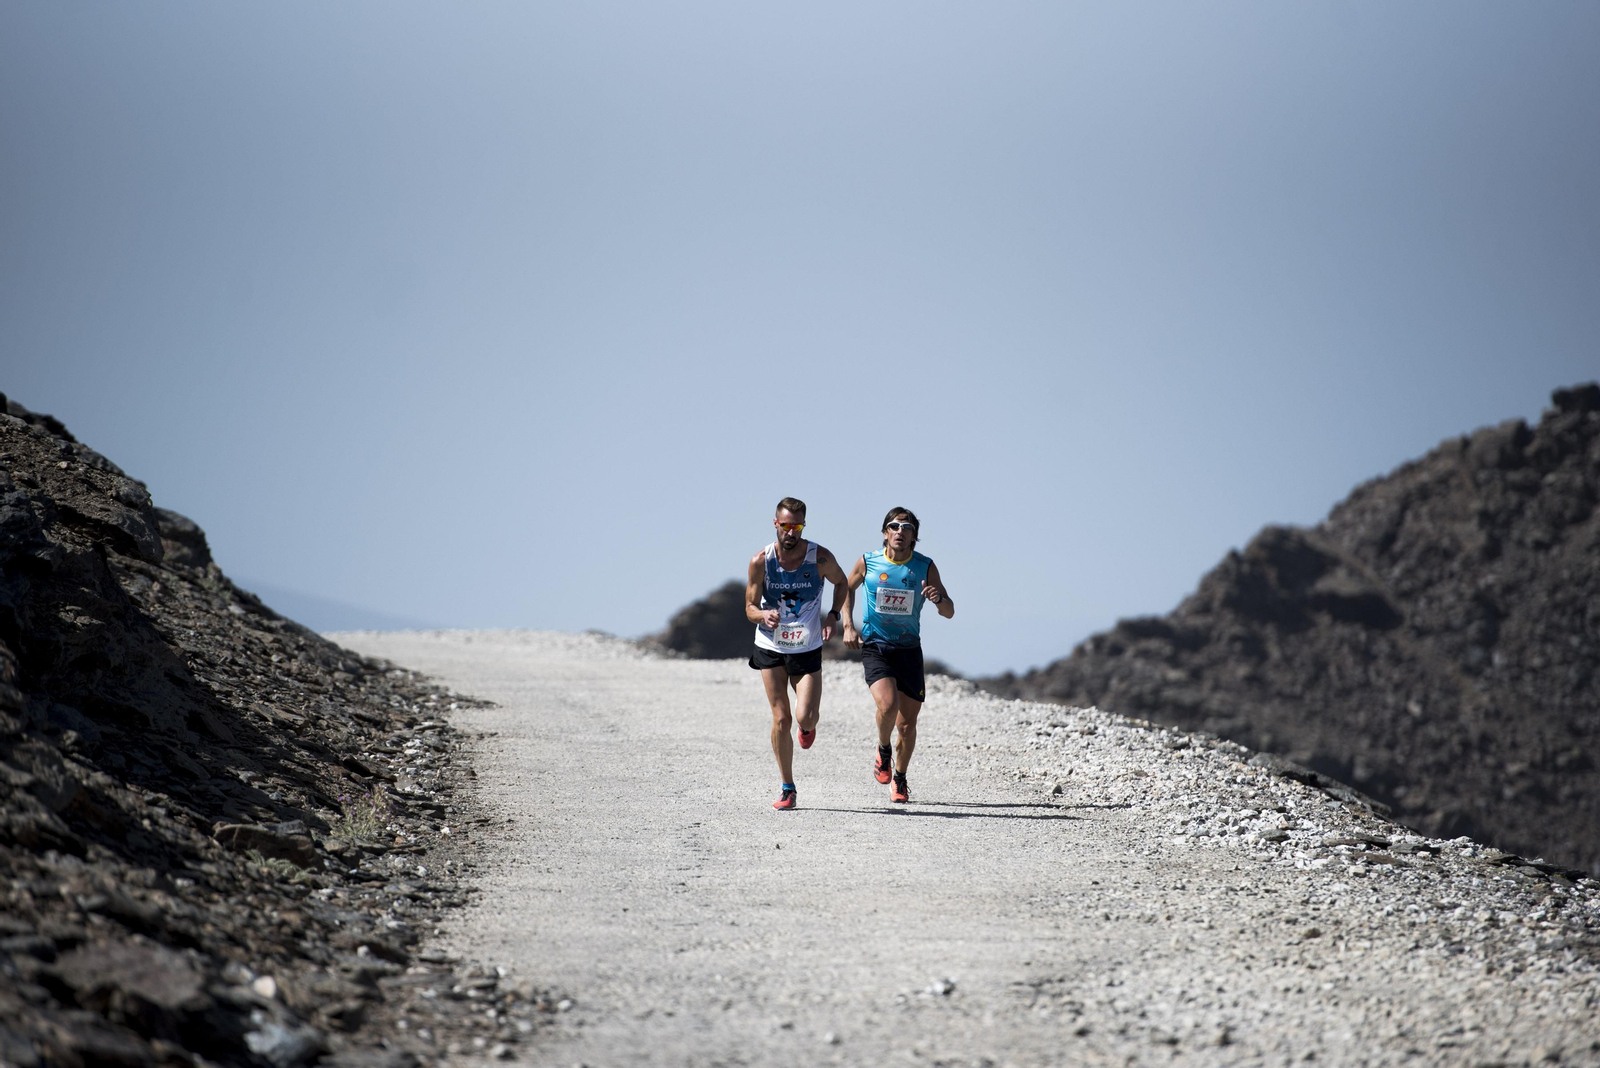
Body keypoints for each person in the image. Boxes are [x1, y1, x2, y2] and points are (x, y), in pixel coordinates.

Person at [842, 507, 954, 803]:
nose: (900, 532)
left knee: (906, 725)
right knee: (888, 706)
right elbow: (845, 588)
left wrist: (938, 598)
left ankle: (900, 778)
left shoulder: (925, 567)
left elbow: (949, 612)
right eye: (894, 526)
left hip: (908, 650)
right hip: (876, 646)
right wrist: (847, 625)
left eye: (906, 528)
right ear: (885, 533)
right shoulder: (868, 561)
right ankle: (883, 749)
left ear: (914, 536)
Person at [747, 497, 849, 810]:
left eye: (797, 526)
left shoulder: (820, 558)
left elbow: (842, 582)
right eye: (786, 525)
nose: (791, 532)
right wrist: (763, 616)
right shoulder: (760, 561)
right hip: (771, 646)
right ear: (775, 524)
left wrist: (834, 615)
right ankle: (787, 787)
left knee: (805, 716)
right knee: (781, 718)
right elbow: (749, 608)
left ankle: (808, 727)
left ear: (803, 525)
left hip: (806, 647)